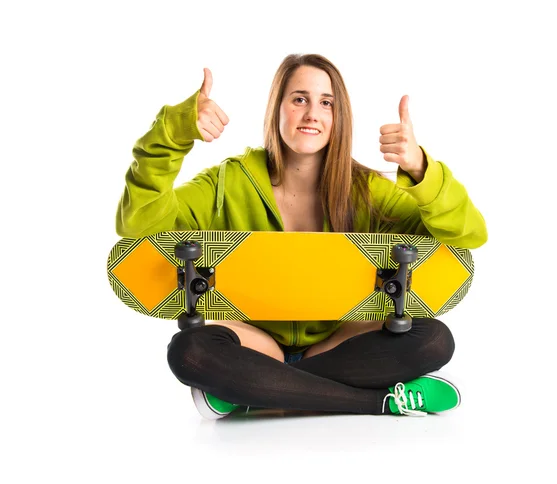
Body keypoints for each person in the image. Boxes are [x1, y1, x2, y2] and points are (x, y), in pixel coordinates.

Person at [116, 53, 487, 419]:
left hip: (337, 346)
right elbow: (139, 228)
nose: (312, 114)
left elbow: (467, 234)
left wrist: (422, 170)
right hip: (253, 345)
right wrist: (171, 135)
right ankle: (380, 403)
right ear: (276, 109)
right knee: (189, 351)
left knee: (434, 339)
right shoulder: (224, 184)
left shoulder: (369, 191)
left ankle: (249, 392)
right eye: (299, 99)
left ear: (338, 117)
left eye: (326, 103)